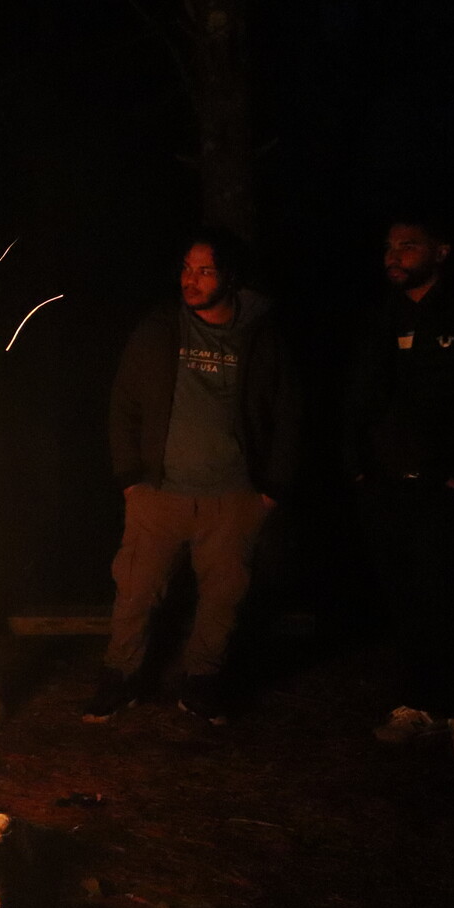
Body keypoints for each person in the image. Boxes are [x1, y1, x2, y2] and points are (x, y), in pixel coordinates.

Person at [86, 236, 297, 726]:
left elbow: (289, 414)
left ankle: (202, 682)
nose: (191, 279)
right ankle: (121, 678)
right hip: (159, 495)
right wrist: (130, 479)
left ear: (229, 278)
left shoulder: (261, 335)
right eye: (186, 268)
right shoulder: (159, 329)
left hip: (233, 497)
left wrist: (271, 490)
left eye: (204, 271)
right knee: (136, 590)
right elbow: (123, 402)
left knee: (223, 597)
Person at [344, 216, 454, 755]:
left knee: (452, 596)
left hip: (446, 487)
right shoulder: (379, 320)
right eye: (389, 246)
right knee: (404, 596)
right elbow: (355, 402)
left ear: (441, 250)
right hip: (387, 487)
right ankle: (416, 702)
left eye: (407, 245)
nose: (394, 255)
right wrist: (359, 469)